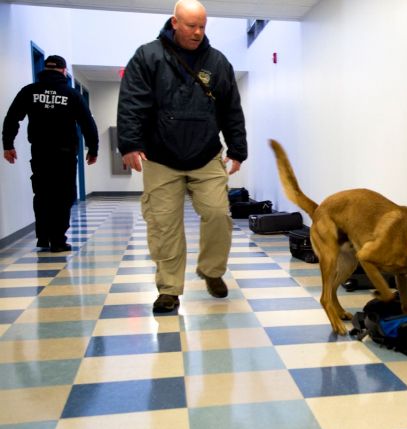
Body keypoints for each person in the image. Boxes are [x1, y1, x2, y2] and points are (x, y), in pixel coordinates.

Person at [117, 0, 247, 313]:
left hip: (206, 154)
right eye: (191, 25)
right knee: (164, 224)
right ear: (175, 23)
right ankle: (169, 289)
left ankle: (212, 270)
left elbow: (231, 108)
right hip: (160, 156)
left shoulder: (217, 62)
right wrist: (130, 144)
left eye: (202, 26)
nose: (198, 32)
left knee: (218, 213)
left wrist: (237, 149)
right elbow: (132, 101)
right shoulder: (148, 56)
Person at [2, 55, 99, 253]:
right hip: (65, 155)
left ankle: (43, 237)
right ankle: (58, 240)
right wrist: (93, 148)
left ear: (45, 69)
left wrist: (8, 144)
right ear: (63, 71)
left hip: (40, 153)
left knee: (42, 194)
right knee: (64, 195)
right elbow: (87, 123)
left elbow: (12, 117)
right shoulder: (72, 94)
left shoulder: (30, 91)